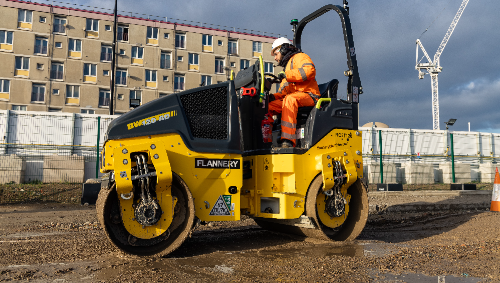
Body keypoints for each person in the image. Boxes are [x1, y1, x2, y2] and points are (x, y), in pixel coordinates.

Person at [268, 37, 320, 148]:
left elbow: (309, 71)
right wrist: (272, 97)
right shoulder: (287, 69)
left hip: (309, 96)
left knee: (290, 99)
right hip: (294, 97)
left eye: (275, 54)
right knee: (267, 106)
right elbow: (283, 92)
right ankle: (267, 141)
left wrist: (288, 75)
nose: (275, 58)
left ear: (283, 49)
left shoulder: (300, 57)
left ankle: (288, 141)